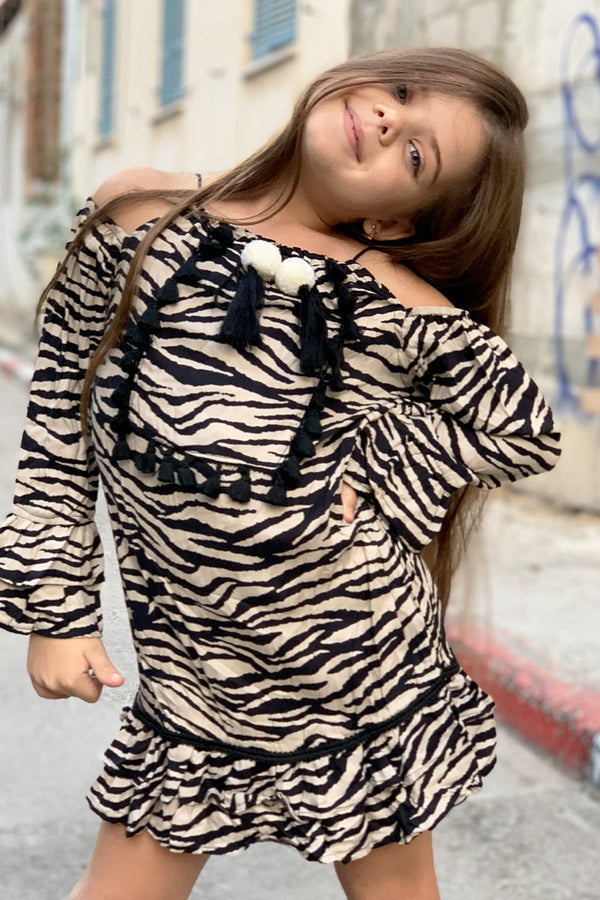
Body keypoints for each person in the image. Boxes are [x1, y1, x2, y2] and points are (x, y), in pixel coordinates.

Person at [0, 46, 560, 900]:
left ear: (397, 222)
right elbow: (57, 420)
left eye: (418, 155)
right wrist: (56, 608)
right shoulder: (137, 214)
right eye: (401, 91)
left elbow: (522, 430)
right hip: (194, 668)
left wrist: (378, 464)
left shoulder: (390, 297)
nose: (389, 119)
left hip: (358, 664)